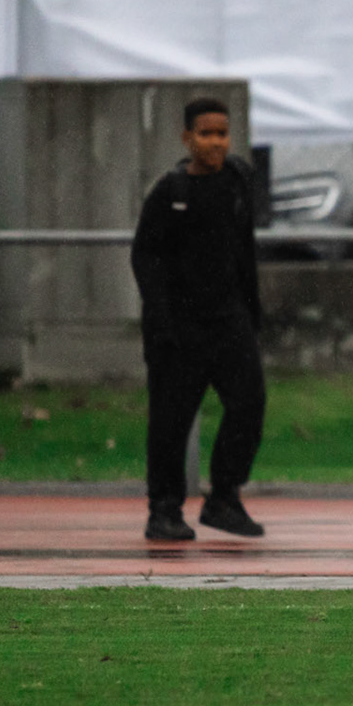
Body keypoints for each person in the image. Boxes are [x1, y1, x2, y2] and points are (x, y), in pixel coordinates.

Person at [129, 97, 268, 542]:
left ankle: (224, 497)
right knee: (171, 421)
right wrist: (161, 320)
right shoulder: (170, 193)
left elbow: (243, 251)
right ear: (187, 138)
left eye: (222, 133)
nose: (215, 142)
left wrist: (251, 311)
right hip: (179, 328)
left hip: (229, 321)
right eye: (206, 134)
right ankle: (164, 509)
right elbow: (145, 257)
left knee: (249, 403)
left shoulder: (238, 181)